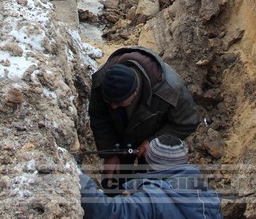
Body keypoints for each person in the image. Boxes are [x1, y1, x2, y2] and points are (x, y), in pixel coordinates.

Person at [89, 46, 200, 189]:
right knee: (112, 182)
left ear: (135, 92)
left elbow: (188, 122)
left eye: (119, 102)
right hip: (119, 139)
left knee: (150, 186)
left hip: (152, 143)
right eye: (109, 102)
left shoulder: (170, 89)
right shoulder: (103, 82)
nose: (113, 107)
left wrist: (153, 141)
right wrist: (109, 153)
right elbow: (99, 117)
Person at [80, 134, 223, 219]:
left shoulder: (152, 199)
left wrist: (78, 176)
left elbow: (107, 212)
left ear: (150, 162)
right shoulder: (208, 195)